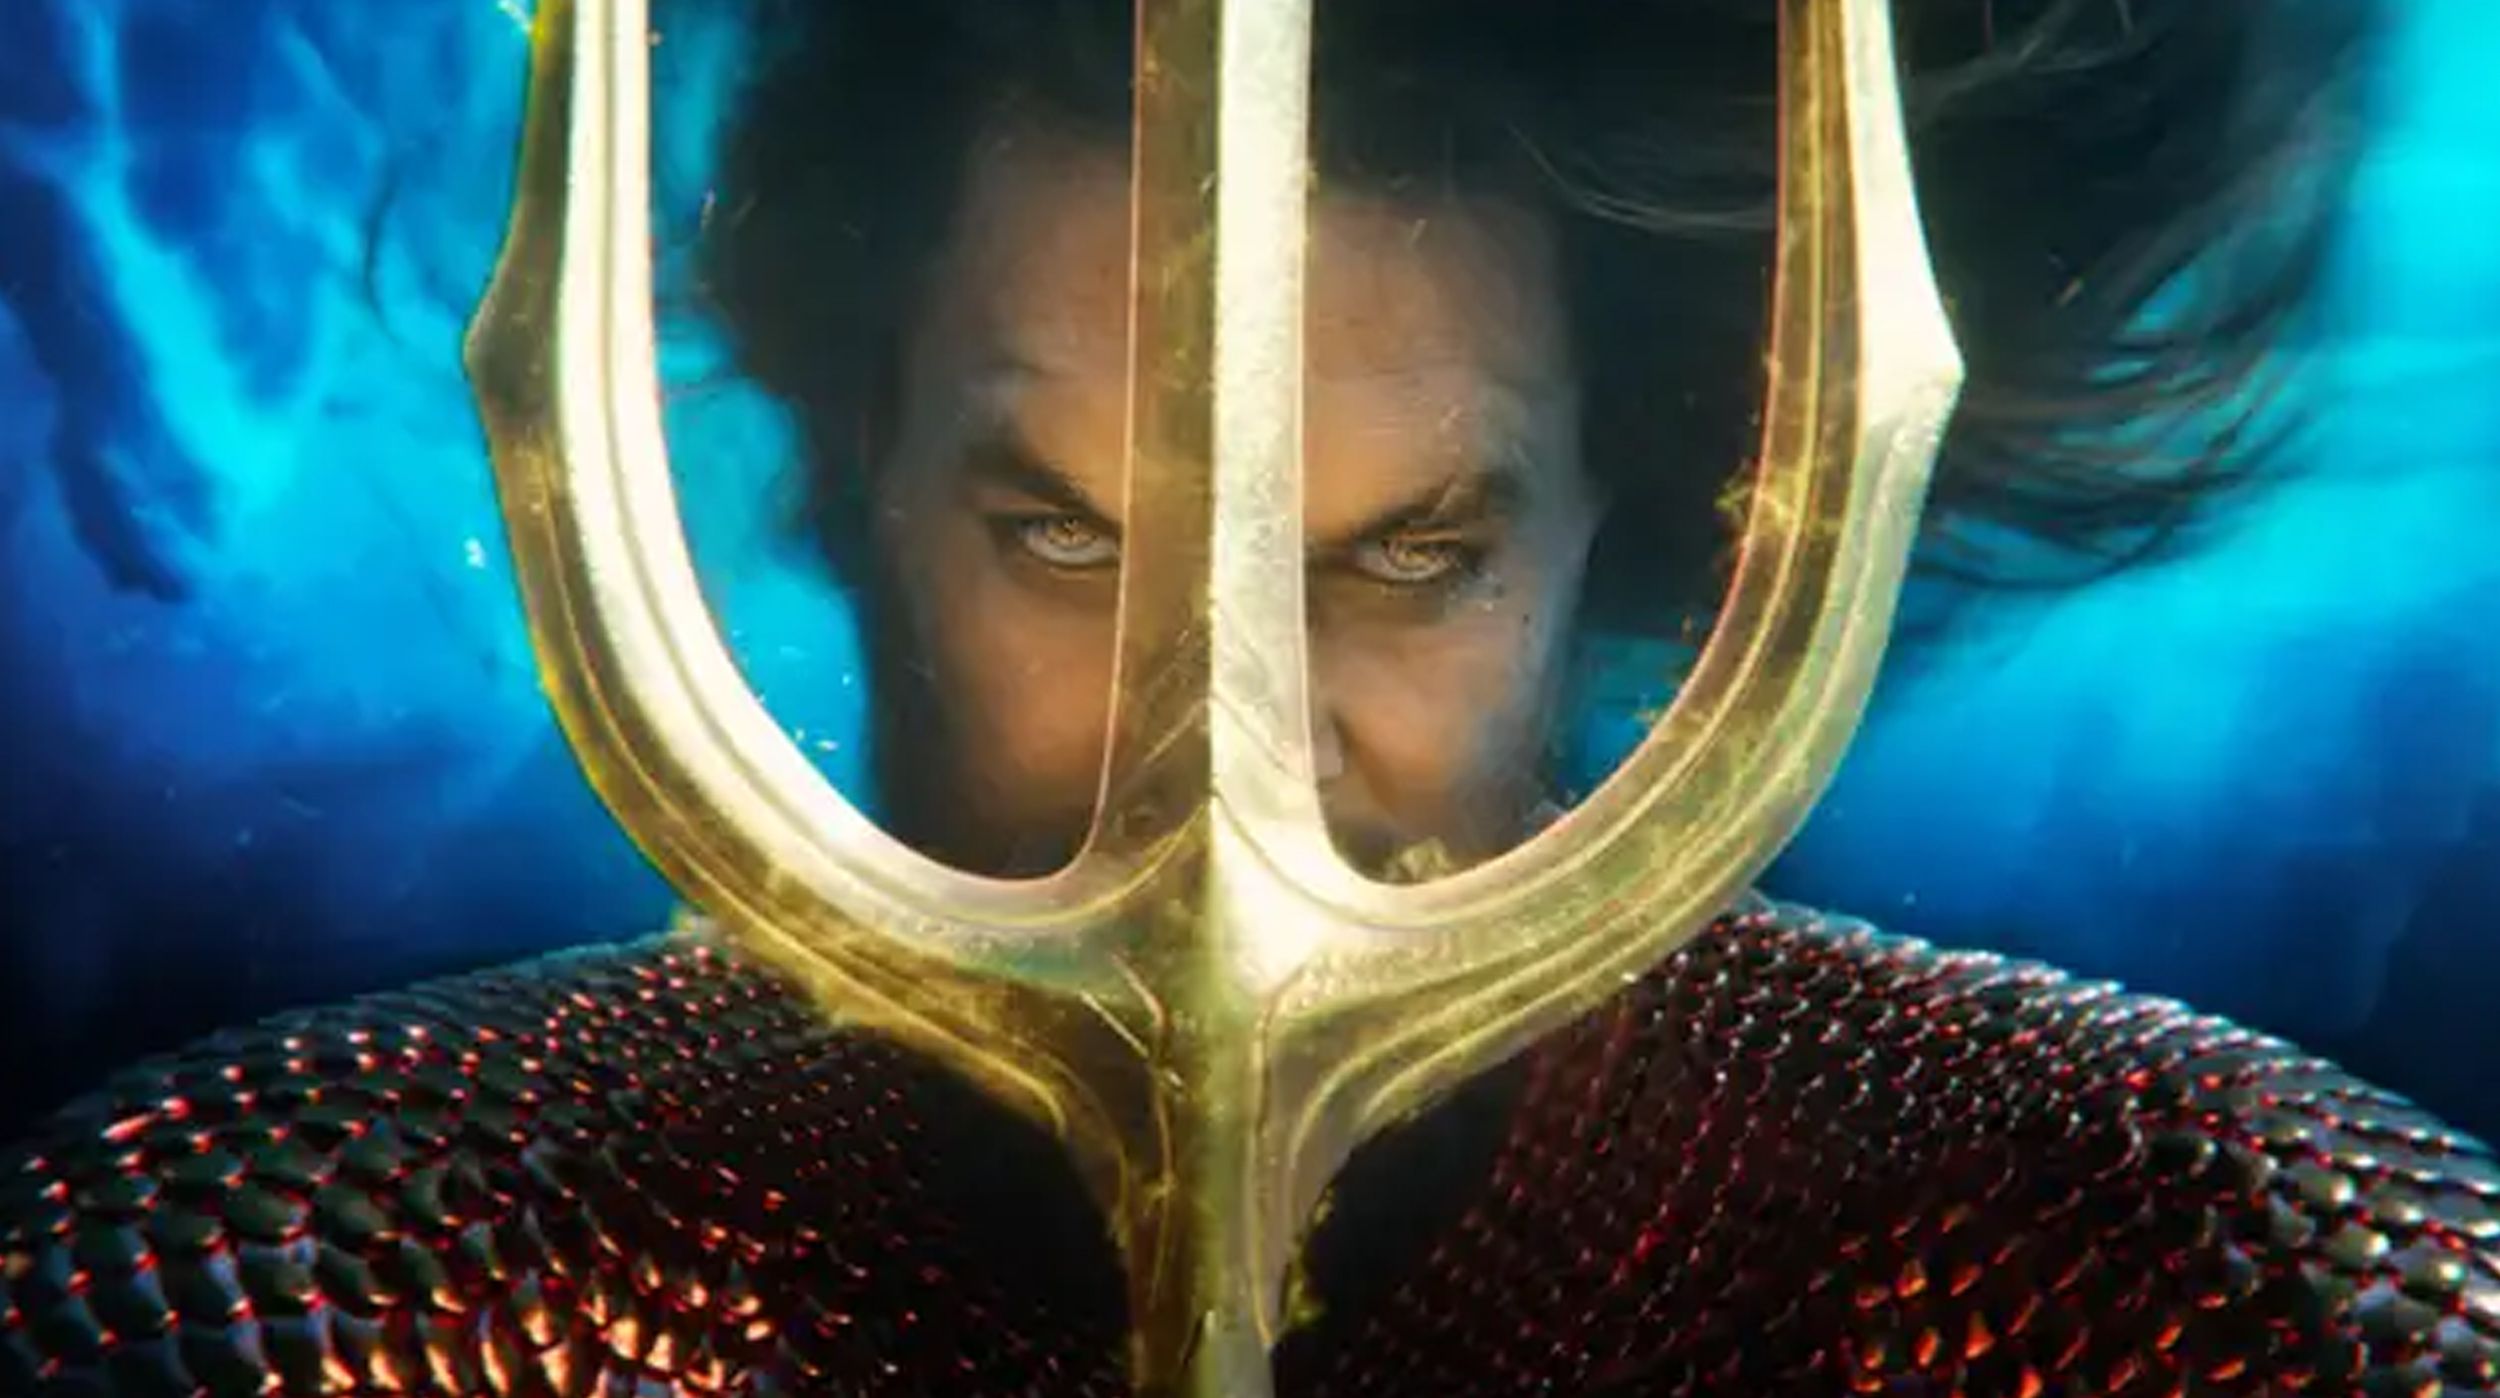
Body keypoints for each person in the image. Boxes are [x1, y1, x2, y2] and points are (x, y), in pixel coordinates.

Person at [8, 2, 2499, 1395]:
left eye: (1408, 558)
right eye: (1061, 537)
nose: (1228, 764)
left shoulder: (2176, 1269)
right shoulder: (316, 1281)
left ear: (1613, 537)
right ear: (851, 487)